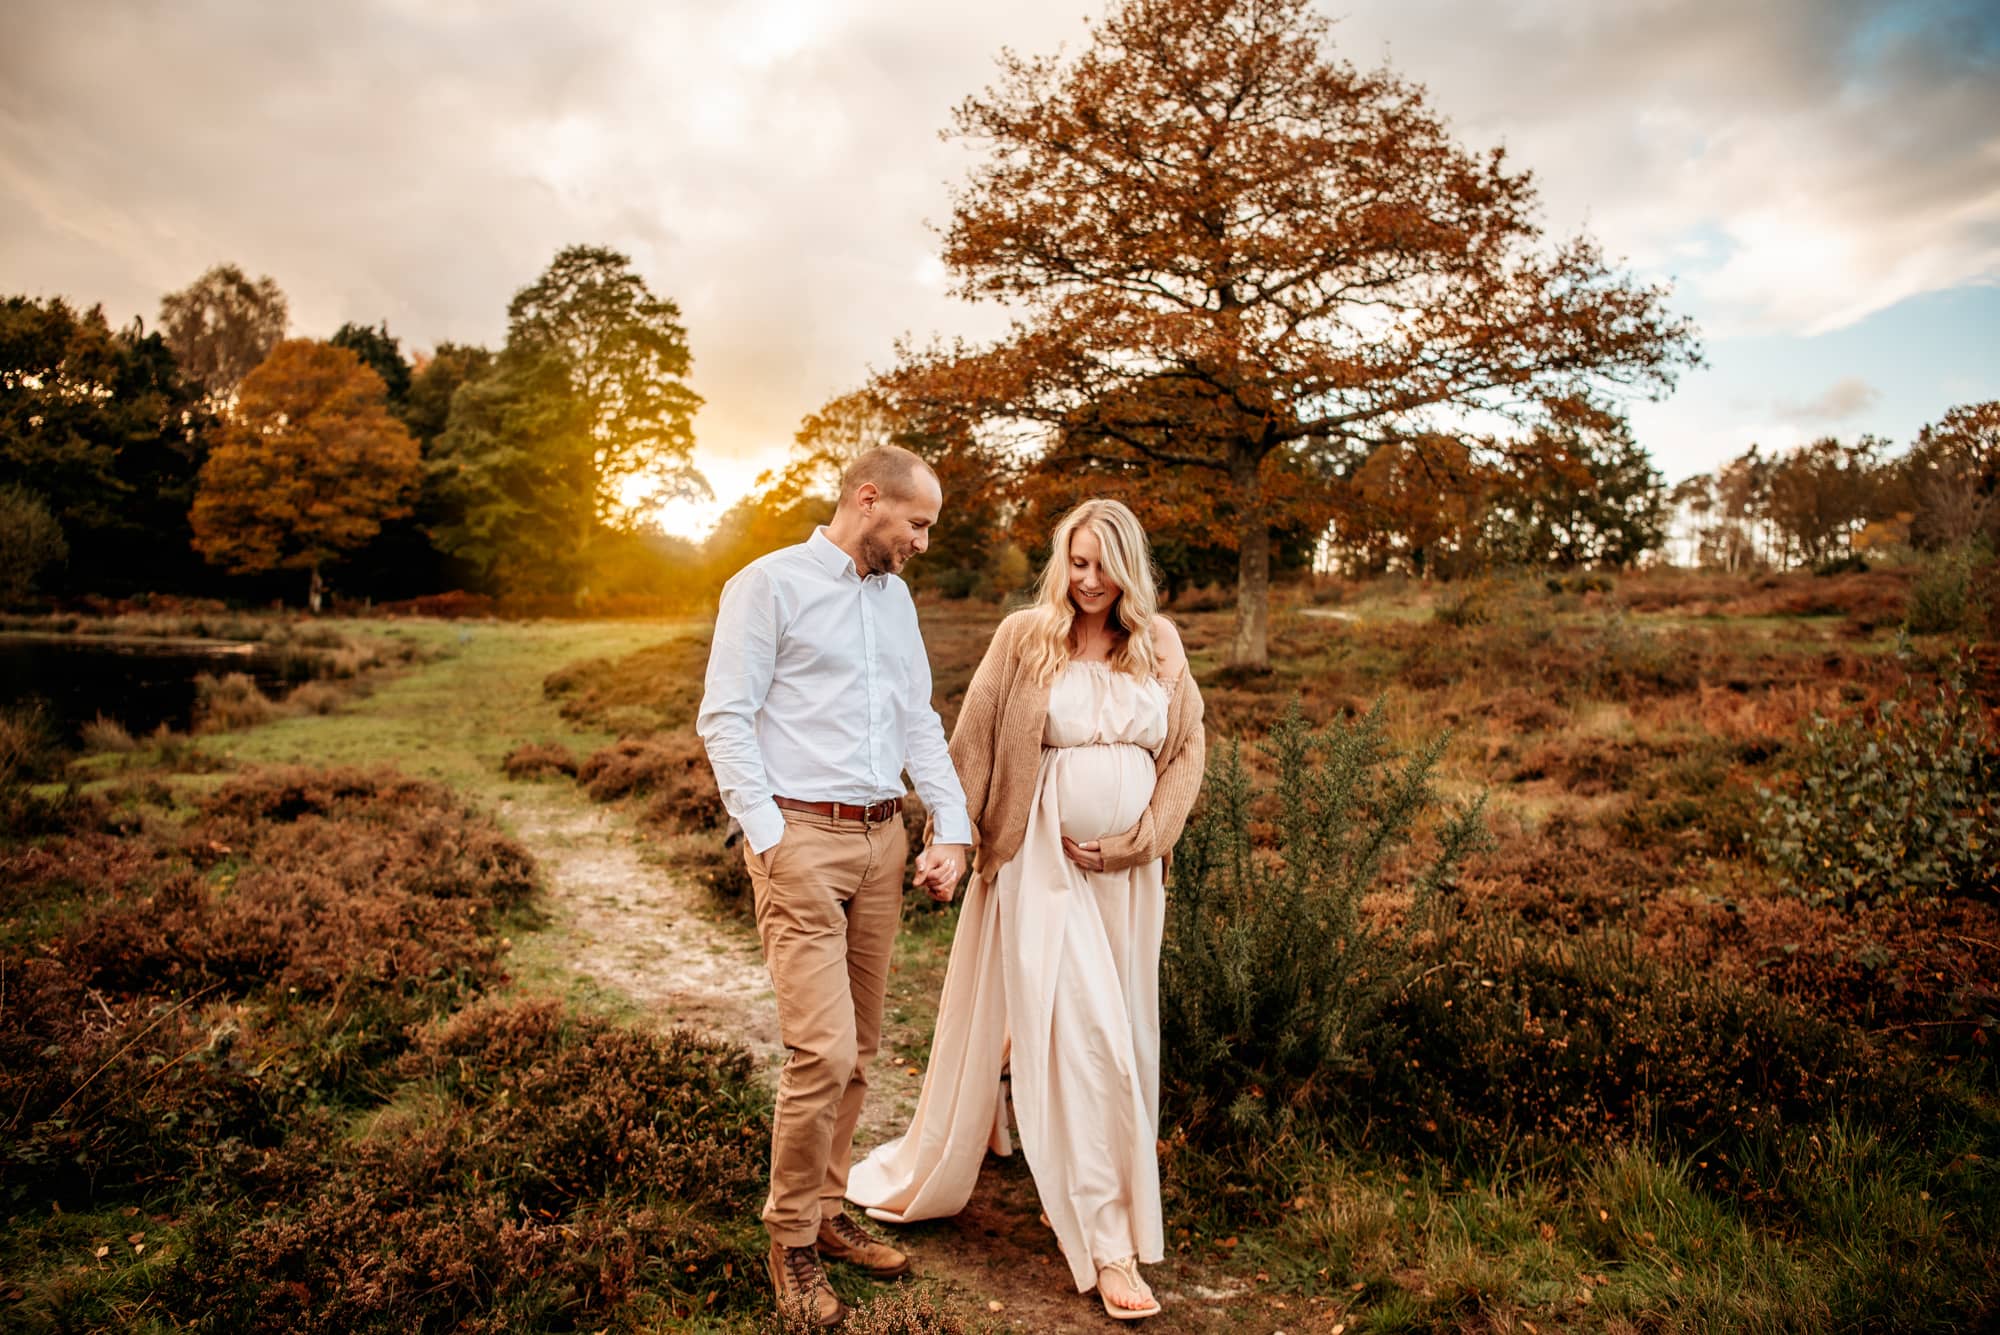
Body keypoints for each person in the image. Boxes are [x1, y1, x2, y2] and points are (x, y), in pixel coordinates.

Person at [846, 498, 1206, 1322]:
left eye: (1101, 565)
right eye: (1073, 563)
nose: (1085, 580)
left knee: (1114, 1032)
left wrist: (1142, 837)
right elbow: (970, 743)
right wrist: (952, 841)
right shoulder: (1025, 636)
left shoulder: (1161, 644)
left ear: (1129, 567)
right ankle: (1109, 1245)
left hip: (1126, 879)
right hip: (1040, 861)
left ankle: (1013, 1096)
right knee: (1092, 1045)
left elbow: (1186, 749)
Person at [697, 444, 974, 1328]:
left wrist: (952, 826)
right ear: (868, 499)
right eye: (919, 523)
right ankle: (790, 1243)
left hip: (881, 842)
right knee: (818, 1051)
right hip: (800, 840)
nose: (924, 542)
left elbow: (919, 721)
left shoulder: (894, 601)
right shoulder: (767, 584)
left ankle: (826, 1209)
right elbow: (725, 716)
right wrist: (769, 836)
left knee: (858, 1051)